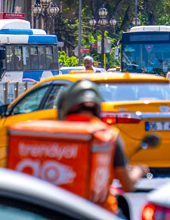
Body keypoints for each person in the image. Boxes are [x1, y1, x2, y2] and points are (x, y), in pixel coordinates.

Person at [55, 80, 148, 214]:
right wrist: (140, 170)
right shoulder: (109, 136)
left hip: (57, 211)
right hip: (101, 213)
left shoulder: (51, 134)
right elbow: (128, 185)